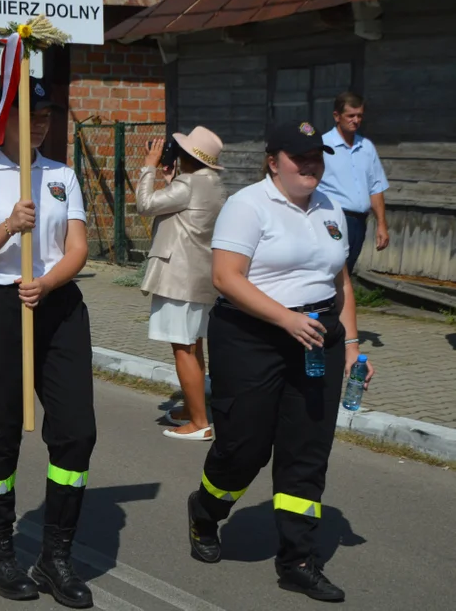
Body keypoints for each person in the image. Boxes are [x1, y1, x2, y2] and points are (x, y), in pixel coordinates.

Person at [187, 120, 376, 602]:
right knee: (244, 446)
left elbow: (341, 283)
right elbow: (227, 278)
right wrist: (285, 320)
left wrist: (353, 348)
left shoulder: (330, 206)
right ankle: (206, 511)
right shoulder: (247, 206)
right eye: (300, 158)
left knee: (306, 450)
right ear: (274, 161)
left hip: (318, 339)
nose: (311, 166)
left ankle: (298, 560)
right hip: (252, 338)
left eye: (316, 157)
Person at [0, 79, 95, 608]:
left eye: (47, 114)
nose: (41, 124)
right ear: (6, 119)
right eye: (30, 113)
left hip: (55, 303)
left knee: (77, 434)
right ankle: (1, 556)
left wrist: (50, 282)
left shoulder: (60, 175)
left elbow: (76, 247)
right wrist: (11, 224)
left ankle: (56, 556)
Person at [137, 127, 227, 441]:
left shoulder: (188, 183)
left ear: (188, 156)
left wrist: (148, 165)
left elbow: (145, 204)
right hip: (200, 275)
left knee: (182, 349)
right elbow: (181, 210)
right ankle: (192, 409)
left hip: (179, 277)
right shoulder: (213, 184)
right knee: (193, 345)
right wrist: (169, 181)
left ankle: (199, 423)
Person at [317, 92, 389, 273]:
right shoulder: (322, 146)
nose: (356, 120)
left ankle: (340, 302)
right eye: (350, 115)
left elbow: (376, 187)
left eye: (359, 116)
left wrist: (381, 224)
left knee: (347, 271)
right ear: (337, 116)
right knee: (331, 269)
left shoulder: (366, 147)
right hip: (333, 218)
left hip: (360, 221)